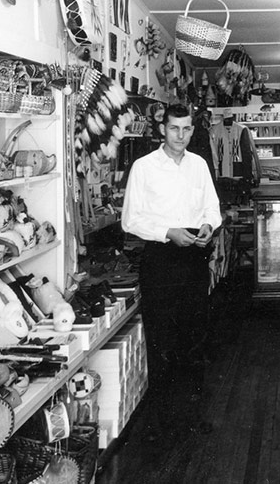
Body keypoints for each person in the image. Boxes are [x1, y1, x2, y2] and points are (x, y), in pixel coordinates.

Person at [121, 104, 222, 432]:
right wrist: (167, 232)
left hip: (194, 256)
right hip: (161, 259)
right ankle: (164, 421)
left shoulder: (199, 165)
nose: (181, 136)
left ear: (194, 129)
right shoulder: (144, 167)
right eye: (175, 128)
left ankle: (192, 414)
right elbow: (131, 220)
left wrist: (208, 225)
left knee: (194, 336)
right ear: (162, 128)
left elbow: (212, 207)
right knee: (162, 340)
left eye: (187, 129)